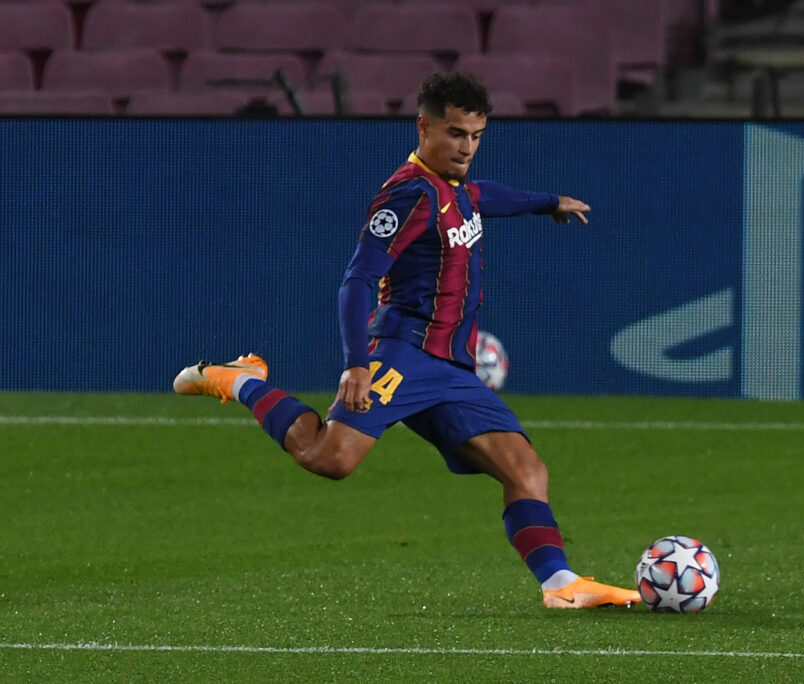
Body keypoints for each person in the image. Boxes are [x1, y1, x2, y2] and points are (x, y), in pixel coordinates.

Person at [174, 72, 640, 609]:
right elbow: (357, 280)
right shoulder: (408, 195)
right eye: (456, 133)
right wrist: (355, 364)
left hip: (452, 369)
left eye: (476, 136)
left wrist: (547, 201)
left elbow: (486, 197)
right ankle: (241, 381)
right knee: (330, 459)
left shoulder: (456, 188)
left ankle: (560, 585)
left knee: (527, 469)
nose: (466, 147)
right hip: (402, 354)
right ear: (424, 127)